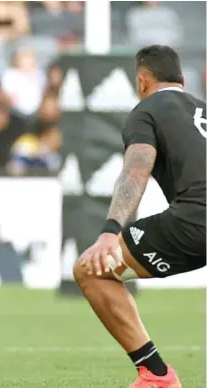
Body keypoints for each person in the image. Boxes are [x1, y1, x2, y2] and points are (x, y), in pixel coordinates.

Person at [73, 45, 206, 388]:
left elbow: (135, 172)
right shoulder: (203, 111)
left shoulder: (146, 110)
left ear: (142, 81)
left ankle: (156, 374)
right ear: (183, 80)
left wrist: (109, 231)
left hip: (196, 221)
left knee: (91, 270)